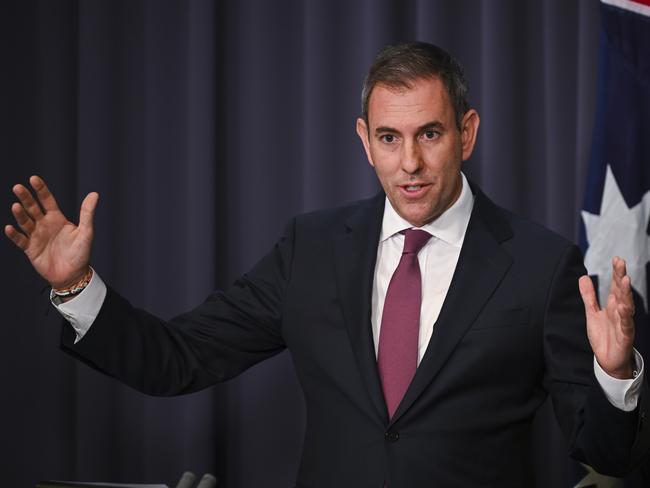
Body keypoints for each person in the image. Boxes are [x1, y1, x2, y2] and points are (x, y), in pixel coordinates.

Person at [5, 42, 649, 487]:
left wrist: (615, 374)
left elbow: (603, 452)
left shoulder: (541, 265)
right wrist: (76, 287)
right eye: (390, 139)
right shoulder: (310, 249)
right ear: (364, 141)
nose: (410, 164)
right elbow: (178, 358)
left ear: (468, 133)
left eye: (430, 133)